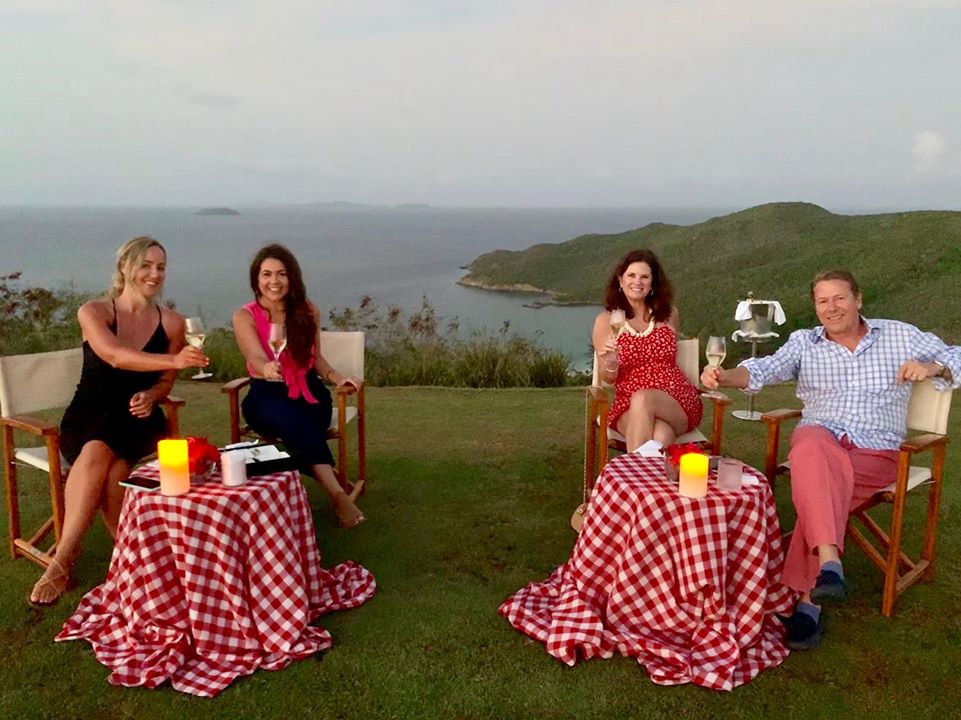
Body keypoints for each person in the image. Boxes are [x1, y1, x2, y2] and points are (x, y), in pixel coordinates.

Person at [701, 269, 961, 650]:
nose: (831, 307)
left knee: (816, 485)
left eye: (839, 298)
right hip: (819, 438)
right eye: (823, 301)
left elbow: (957, 355)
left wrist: (933, 367)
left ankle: (809, 587)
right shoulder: (804, 342)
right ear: (816, 307)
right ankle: (823, 576)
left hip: (877, 451)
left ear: (858, 299)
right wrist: (725, 377)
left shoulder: (900, 335)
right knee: (810, 448)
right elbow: (764, 368)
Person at [29, 237, 209, 606]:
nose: (154, 273)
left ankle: (65, 560)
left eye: (160, 267)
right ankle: (110, 554)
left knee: (104, 457)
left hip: (135, 417)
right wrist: (175, 361)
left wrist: (153, 395)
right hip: (88, 414)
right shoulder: (93, 311)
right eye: (145, 265)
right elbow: (114, 356)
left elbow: (165, 382)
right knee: (106, 464)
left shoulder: (172, 323)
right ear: (125, 267)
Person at [233, 244, 365, 528]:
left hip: (309, 391)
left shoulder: (308, 311)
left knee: (300, 420)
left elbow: (315, 358)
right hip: (265, 394)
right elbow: (254, 356)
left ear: (292, 277)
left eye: (281, 274)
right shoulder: (245, 316)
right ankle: (338, 493)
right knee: (296, 421)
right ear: (256, 279)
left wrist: (336, 378)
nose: (274, 281)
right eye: (266, 274)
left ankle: (303, 481)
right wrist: (266, 368)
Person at [592, 249, 703, 453]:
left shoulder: (669, 314)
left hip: (675, 398)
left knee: (644, 398)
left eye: (644, 277)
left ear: (653, 283)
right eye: (631, 275)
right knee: (661, 434)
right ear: (620, 280)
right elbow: (608, 378)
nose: (637, 282)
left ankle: (631, 470)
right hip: (627, 402)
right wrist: (611, 362)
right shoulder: (606, 321)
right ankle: (652, 472)